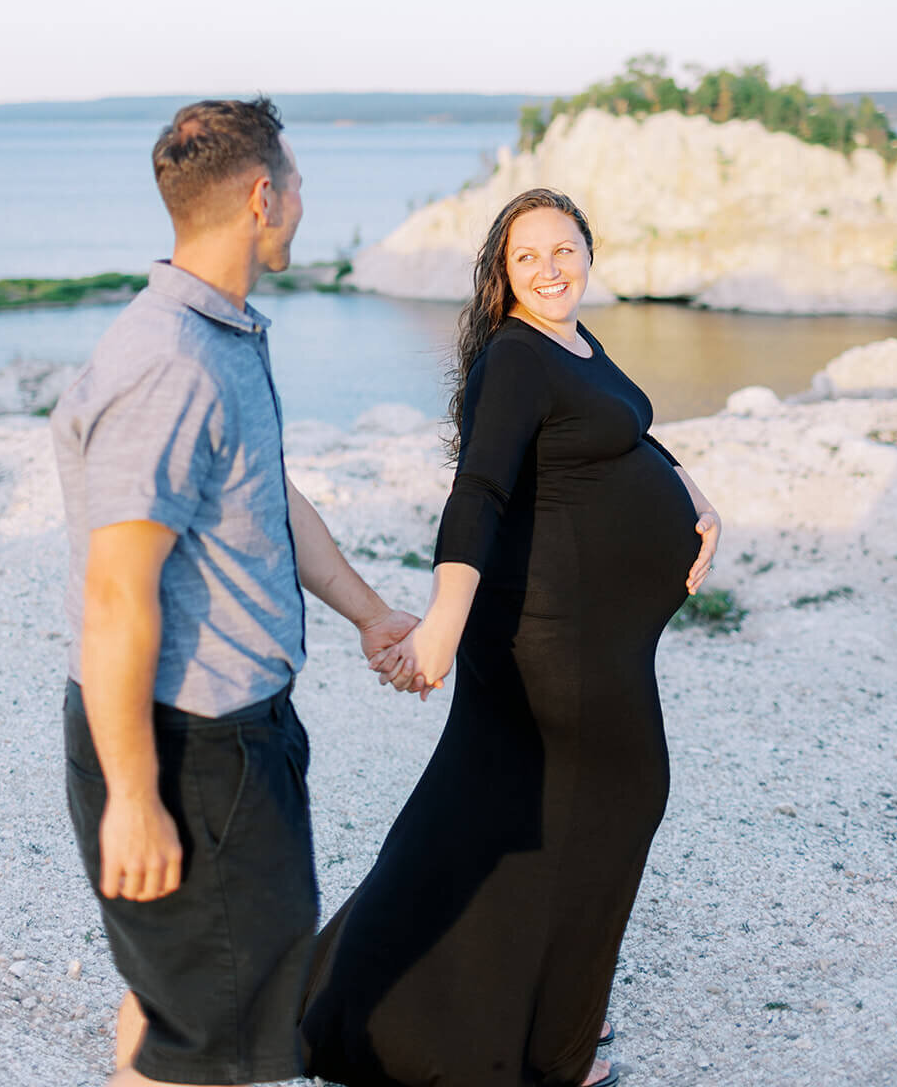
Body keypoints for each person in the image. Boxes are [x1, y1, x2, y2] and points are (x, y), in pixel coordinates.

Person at [299, 188, 722, 1087]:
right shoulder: (517, 357)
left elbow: (619, 424)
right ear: (502, 272)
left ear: (588, 254)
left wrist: (691, 491)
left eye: (562, 250)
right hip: (549, 641)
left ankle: (373, 1001)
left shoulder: (572, 342)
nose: (548, 269)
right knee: (608, 807)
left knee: (481, 816)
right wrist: (443, 624)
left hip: (588, 639)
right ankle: (552, 1052)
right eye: (526, 257)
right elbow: (478, 492)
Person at [52, 97, 419, 1087]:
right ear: (263, 195)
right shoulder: (167, 362)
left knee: (178, 1007)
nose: (302, 202)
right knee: (215, 1044)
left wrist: (368, 609)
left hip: (227, 737)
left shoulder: (217, 335)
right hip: (188, 750)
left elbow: (266, 494)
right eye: (297, 183)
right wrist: (135, 796)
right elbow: (118, 592)